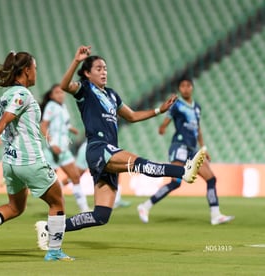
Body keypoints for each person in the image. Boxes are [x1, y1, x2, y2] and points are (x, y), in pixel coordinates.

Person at [35, 45, 206, 249]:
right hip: (99, 148)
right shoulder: (85, 89)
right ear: (88, 73)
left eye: (105, 68)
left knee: (101, 215)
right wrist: (76, 61)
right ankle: (183, 171)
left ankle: (49, 228)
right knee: (139, 164)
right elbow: (64, 85)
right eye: (98, 68)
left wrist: (159, 110)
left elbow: (132, 116)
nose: (103, 71)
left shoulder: (112, 95)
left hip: (108, 150)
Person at [0, 51, 74, 261]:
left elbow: (13, 124)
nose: (36, 73)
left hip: (10, 162)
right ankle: (55, 251)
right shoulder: (23, 95)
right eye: (35, 68)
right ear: (26, 70)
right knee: (57, 202)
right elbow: (4, 121)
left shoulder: (5, 96)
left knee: (15, 207)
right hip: (30, 160)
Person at [137, 76, 235, 225]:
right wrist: (163, 127)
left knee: (211, 179)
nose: (185, 88)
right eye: (182, 86)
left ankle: (215, 214)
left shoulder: (197, 107)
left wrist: (204, 148)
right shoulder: (177, 105)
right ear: (179, 89)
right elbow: (166, 121)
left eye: (188, 85)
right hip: (179, 146)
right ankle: (145, 206)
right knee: (176, 182)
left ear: (192, 87)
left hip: (193, 149)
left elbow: (198, 129)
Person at [39, 84, 90, 213]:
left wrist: (71, 128)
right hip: (52, 151)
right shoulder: (51, 106)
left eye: (62, 92)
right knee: (50, 183)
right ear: (51, 96)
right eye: (57, 93)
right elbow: (43, 126)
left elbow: (64, 124)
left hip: (63, 150)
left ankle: (84, 208)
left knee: (75, 177)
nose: (60, 95)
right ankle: (54, 207)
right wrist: (51, 144)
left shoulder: (63, 107)